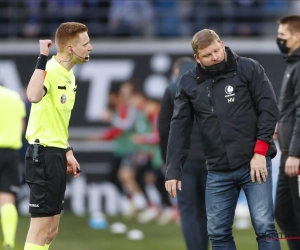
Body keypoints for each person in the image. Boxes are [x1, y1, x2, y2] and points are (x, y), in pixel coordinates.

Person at [164, 29, 281, 250]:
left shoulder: (248, 67)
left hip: (254, 163)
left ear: (222, 44)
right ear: (197, 58)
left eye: (216, 50)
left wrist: (260, 152)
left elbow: (269, 109)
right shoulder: (188, 83)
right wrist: (173, 170)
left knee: (265, 227)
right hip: (217, 169)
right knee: (217, 233)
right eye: (208, 55)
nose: (215, 57)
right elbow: (179, 127)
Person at [24, 22, 92, 250]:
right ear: (71, 48)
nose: (90, 47)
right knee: (40, 229)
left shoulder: (69, 76)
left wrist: (67, 150)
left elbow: (56, 121)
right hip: (41, 154)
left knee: (51, 231)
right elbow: (33, 95)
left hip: (56, 153)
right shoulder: (50, 70)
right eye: (86, 43)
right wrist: (42, 57)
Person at [158, 57, 208, 250]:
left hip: (183, 161)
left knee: (188, 210)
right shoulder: (208, 85)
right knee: (205, 210)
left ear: (176, 70)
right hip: (209, 158)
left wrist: (167, 160)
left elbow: (163, 129)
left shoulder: (172, 90)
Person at [274, 15, 300, 250]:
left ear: (297, 36)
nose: (278, 40)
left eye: (282, 36)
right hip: (286, 153)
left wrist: (295, 153)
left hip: (294, 156)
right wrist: (280, 124)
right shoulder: (293, 64)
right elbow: (292, 110)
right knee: (283, 213)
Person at [0, 86, 26, 250]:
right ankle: (8, 240)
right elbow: (22, 126)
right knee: (7, 198)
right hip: (10, 153)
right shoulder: (14, 97)